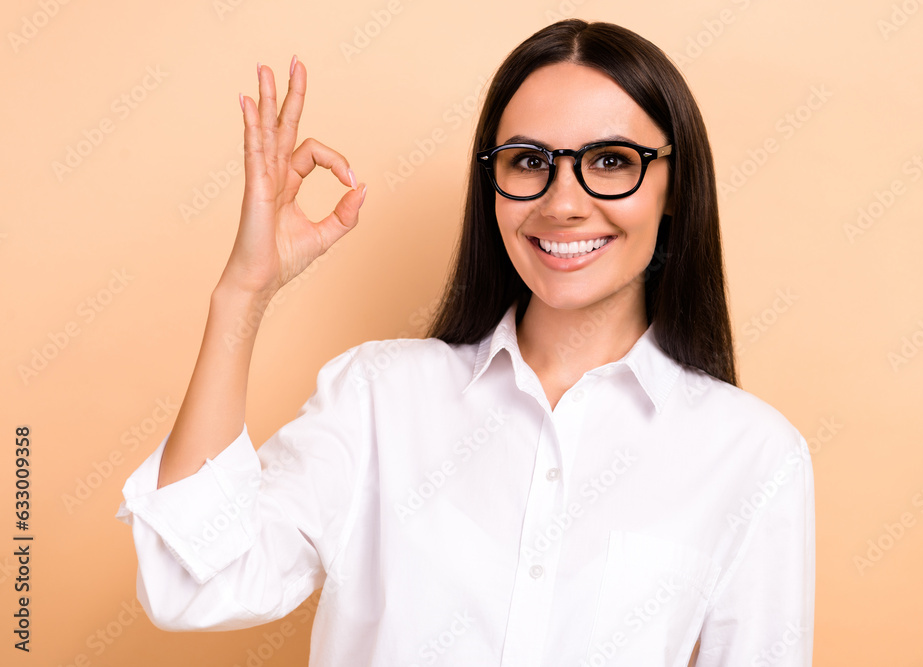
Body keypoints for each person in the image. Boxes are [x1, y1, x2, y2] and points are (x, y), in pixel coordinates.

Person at [117, 19, 815, 666]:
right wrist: (244, 290)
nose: (563, 201)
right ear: (493, 185)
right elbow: (191, 584)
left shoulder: (752, 455)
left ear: (675, 187)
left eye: (609, 160)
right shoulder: (377, 398)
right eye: (527, 160)